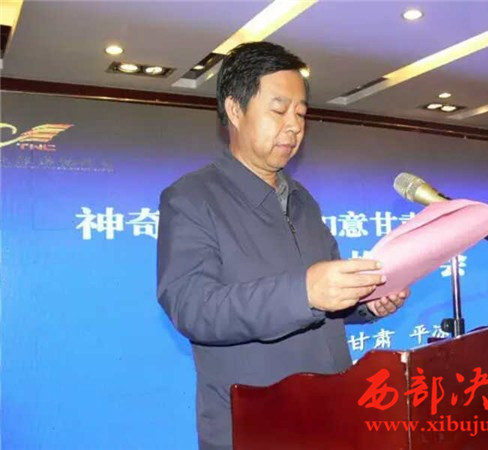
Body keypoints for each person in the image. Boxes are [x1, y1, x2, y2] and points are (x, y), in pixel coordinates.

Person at [157, 41, 410, 450]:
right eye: (279, 110)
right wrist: (305, 291)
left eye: (301, 114)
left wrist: (367, 302)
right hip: (256, 427)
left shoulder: (303, 200)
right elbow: (192, 306)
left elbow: (324, 302)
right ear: (235, 110)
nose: (294, 127)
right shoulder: (191, 197)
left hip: (333, 412)